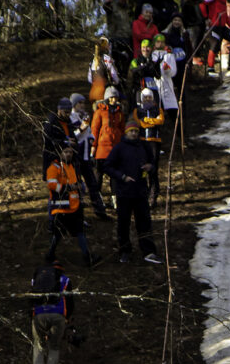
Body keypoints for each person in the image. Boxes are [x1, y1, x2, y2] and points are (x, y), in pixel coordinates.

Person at [103, 120, 162, 264]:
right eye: (131, 131)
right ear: (126, 132)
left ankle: (148, 251)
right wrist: (122, 177)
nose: (134, 134)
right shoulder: (119, 148)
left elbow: (153, 164)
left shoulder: (144, 146)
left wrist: (150, 167)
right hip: (124, 192)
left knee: (144, 222)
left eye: (136, 131)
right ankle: (125, 251)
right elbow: (107, 166)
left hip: (141, 191)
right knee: (123, 223)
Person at [45, 143, 95, 266]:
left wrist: (80, 188)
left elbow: (77, 183)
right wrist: (67, 188)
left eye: (70, 152)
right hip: (61, 208)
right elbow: (51, 184)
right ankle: (50, 254)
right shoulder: (54, 167)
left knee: (80, 232)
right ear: (60, 153)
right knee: (58, 234)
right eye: (65, 152)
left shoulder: (73, 166)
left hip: (75, 206)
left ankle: (87, 257)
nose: (68, 154)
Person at [30, 260, 73, 364]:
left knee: (39, 343)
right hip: (58, 315)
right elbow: (70, 301)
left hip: (39, 314)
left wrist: (32, 316)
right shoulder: (65, 280)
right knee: (54, 347)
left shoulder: (38, 278)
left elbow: (31, 297)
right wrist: (68, 318)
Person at [69, 93, 107, 220]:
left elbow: (90, 133)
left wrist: (91, 140)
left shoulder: (84, 117)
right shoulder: (70, 118)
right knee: (78, 185)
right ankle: (78, 215)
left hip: (86, 156)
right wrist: (81, 129)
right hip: (76, 156)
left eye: (83, 103)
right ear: (74, 104)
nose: (82, 105)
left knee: (93, 184)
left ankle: (100, 210)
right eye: (79, 103)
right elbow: (72, 136)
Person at [90, 86, 125, 208]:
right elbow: (94, 129)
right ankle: (97, 199)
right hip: (102, 148)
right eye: (111, 98)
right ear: (107, 98)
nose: (113, 100)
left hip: (115, 148)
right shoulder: (100, 112)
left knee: (115, 175)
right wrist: (93, 146)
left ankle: (114, 198)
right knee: (98, 174)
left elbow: (122, 129)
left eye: (115, 97)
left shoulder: (120, 112)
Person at [42, 97, 76, 180]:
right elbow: (48, 141)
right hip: (54, 158)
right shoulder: (51, 123)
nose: (68, 114)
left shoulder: (68, 121)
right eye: (66, 112)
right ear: (59, 110)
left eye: (70, 112)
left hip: (68, 159)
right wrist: (65, 142)